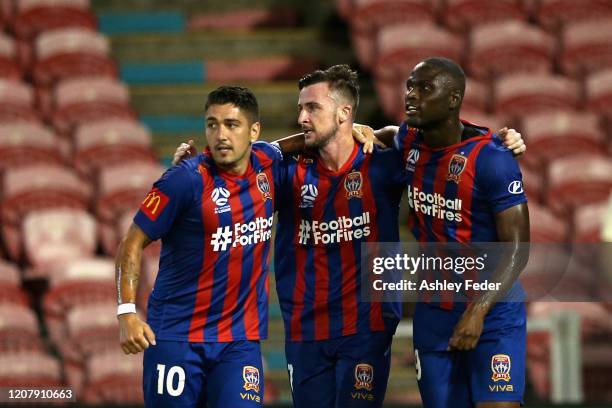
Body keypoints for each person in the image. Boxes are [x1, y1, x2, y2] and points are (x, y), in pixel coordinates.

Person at [173, 65, 527, 408]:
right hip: (307, 328)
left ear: (343, 113)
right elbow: (236, 178)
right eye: (301, 109)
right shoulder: (287, 173)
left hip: (367, 327)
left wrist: (495, 140)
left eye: (312, 107)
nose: (302, 117)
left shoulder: (385, 165)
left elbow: (445, 150)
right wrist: (195, 170)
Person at [115, 86, 287, 408]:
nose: (220, 134)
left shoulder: (267, 162)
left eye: (231, 125)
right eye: (212, 124)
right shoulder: (184, 180)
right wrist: (126, 312)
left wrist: (355, 130)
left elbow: (293, 144)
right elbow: (131, 243)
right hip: (177, 338)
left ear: (254, 131)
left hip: (239, 342)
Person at [376, 57, 530, 408]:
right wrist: (362, 131)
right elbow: (388, 136)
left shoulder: (493, 159)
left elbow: (518, 250)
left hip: (492, 312)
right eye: (410, 86)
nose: (411, 95)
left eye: (424, 88)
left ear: (453, 99)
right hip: (435, 309)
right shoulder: (410, 142)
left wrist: (477, 312)